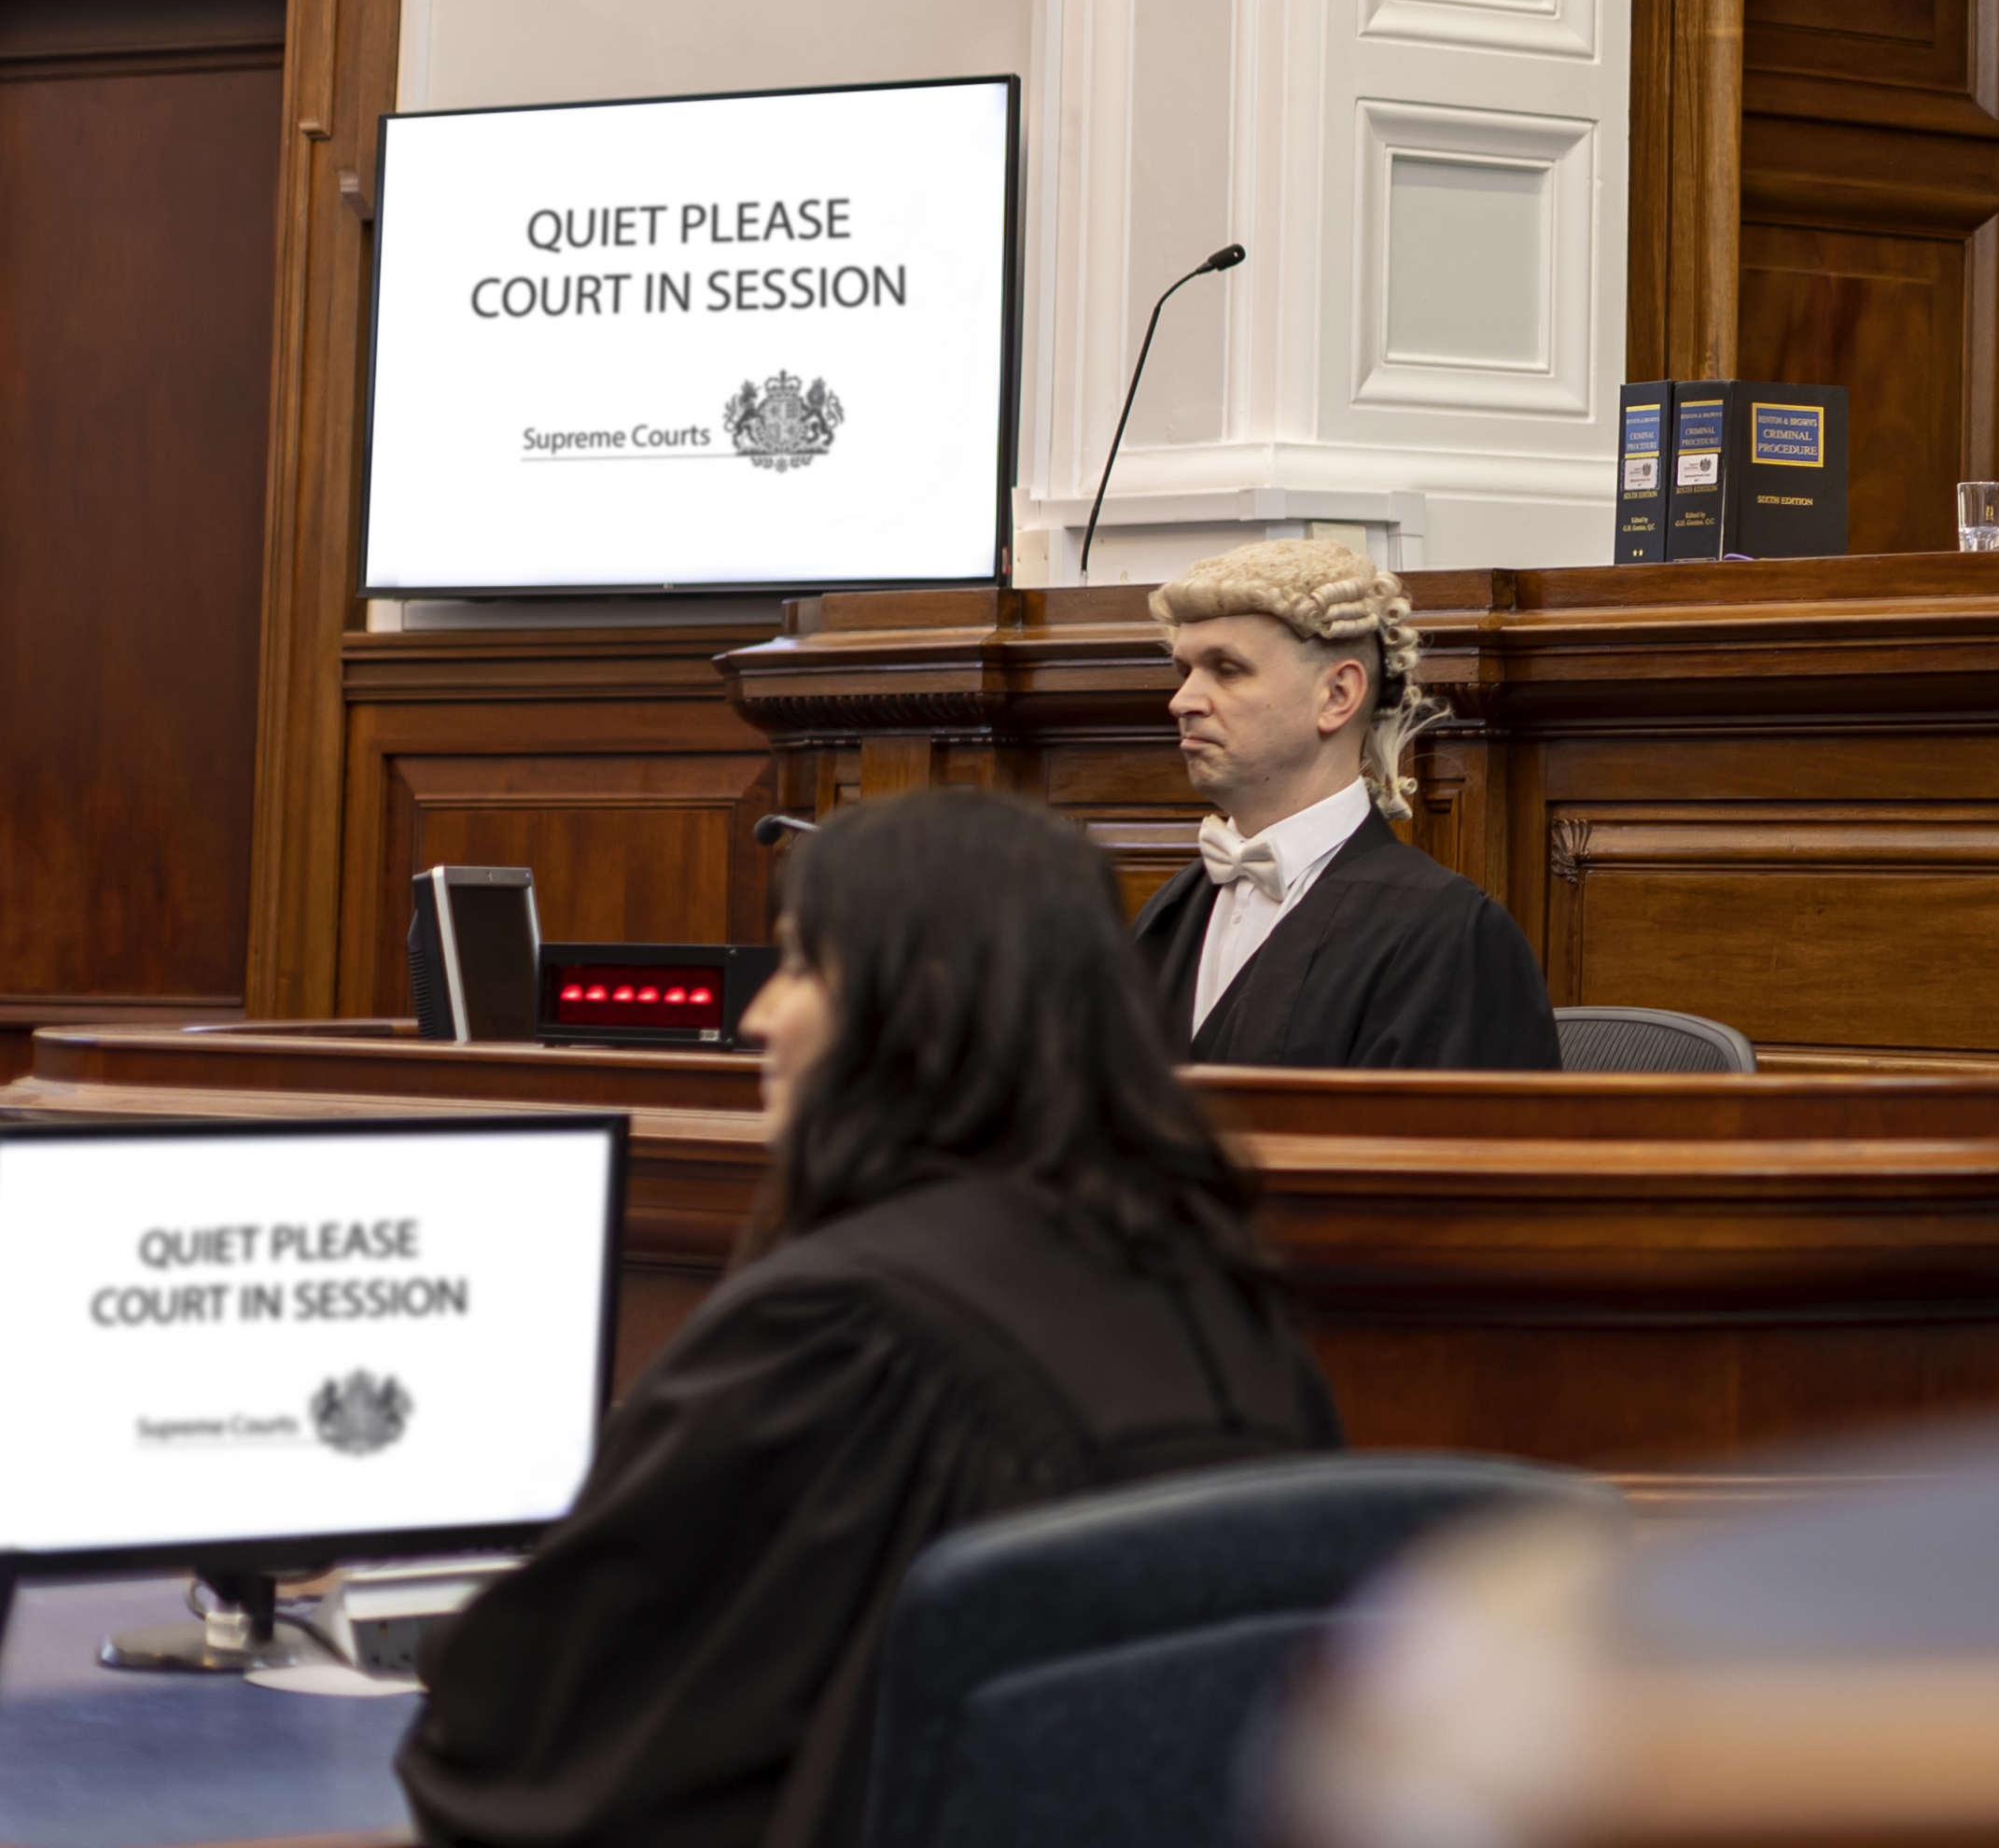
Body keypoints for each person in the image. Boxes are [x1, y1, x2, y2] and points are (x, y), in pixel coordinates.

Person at [398, 786, 1341, 1848]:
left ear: (918, 999)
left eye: (801, 963)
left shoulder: (841, 1333)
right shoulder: (1223, 1306)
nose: (758, 1015)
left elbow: (524, 1722)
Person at [1131, 536, 1560, 1069]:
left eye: (1227, 669)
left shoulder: (1451, 936)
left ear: (1337, 695)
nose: (1183, 701)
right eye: (1184, 671)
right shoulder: (1169, 913)